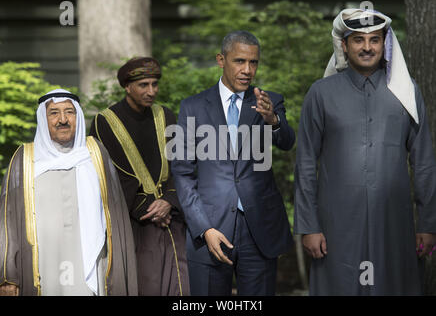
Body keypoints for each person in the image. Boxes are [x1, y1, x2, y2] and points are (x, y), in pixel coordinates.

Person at [294, 8, 436, 295]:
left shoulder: (407, 93)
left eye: (374, 39)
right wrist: (308, 226)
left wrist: (428, 223)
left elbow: (423, 162)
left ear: (386, 45)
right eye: (358, 40)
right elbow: (306, 162)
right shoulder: (320, 93)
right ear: (344, 45)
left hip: (394, 224)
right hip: (336, 225)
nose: (367, 47)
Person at [171, 30, 295, 296]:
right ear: (221, 59)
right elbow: (182, 173)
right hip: (211, 229)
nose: (247, 70)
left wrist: (273, 120)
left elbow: (287, 141)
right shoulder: (191, 107)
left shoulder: (268, 101)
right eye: (240, 61)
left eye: (254, 63)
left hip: (259, 230)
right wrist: (203, 228)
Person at [0, 89, 138, 296]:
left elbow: (115, 215)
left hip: (91, 262)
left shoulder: (95, 153)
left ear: (78, 117)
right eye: (54, 113)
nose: (62, 120)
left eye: (69, 112)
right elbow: (7, 222)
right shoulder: (24, 158)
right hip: (41, 264)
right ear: (43, 118)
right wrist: (7, 275)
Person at [89, 57, 189, 296]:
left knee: (182, 284)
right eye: (144, 85)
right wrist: (150, 209)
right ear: (127, 86)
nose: (151, 91)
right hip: (134, 222)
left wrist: (169, 201)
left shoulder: (166, 115)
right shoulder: (105, 122)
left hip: (172, 216)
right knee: (146, 284)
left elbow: (182, 164)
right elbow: (108, 174)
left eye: (155, 84)